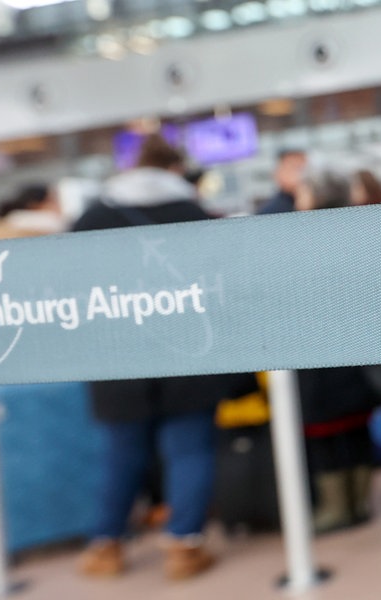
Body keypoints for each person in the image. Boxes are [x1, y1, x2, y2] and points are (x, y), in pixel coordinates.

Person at [73, 135, 256, 580]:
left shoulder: (94, 216)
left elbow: (70, 285)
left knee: (122, 453)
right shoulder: (189, 212)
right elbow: (220, 282)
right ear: (175, 169)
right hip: (187, 349)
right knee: (189, 450)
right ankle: (183, 545)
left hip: (115, 352)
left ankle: (107, 546)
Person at [293, 171, 381, 533]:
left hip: (318, 353)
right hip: (357, 349)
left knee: (324, 435)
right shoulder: (357, 230)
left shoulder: (300, 238)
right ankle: (359, 502)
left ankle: (335, 507)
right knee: (356, 429)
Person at [0, 184, 66, 241]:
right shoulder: (47, 224)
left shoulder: (1, 223)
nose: (58, 205)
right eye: (52, 201)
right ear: (35, 204)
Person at [257, 149, 307, 215]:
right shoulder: (271, 212)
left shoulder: (319, 203)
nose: (300, 175)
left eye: (302, 169)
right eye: (293, 168)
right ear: (277, 173)